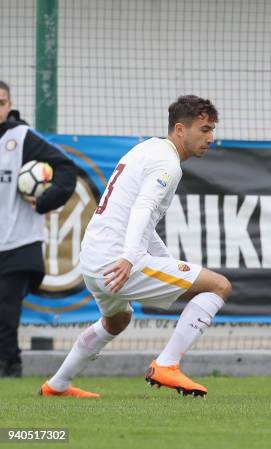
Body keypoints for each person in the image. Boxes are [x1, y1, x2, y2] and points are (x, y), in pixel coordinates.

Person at [39, 95, 230, 398]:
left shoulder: (145, 149)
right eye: (204, 130)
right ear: (180, 129)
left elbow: (140, 217)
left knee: (117, 320)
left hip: (92, 258)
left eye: (212, 130)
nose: (211, 138)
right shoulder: (168, 164)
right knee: (219, 286)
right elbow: (142, 208)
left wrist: (166, 262)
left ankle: (57, 385)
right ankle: (167, 364)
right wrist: (129, 257)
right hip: (116, 260)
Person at [0, 80, 77, 377]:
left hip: (19, 243)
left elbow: (66, 169)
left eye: (2, 102)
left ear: (9, 106)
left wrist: (45, 200)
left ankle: (11, 366)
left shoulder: (22, 138)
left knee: (6, 313)